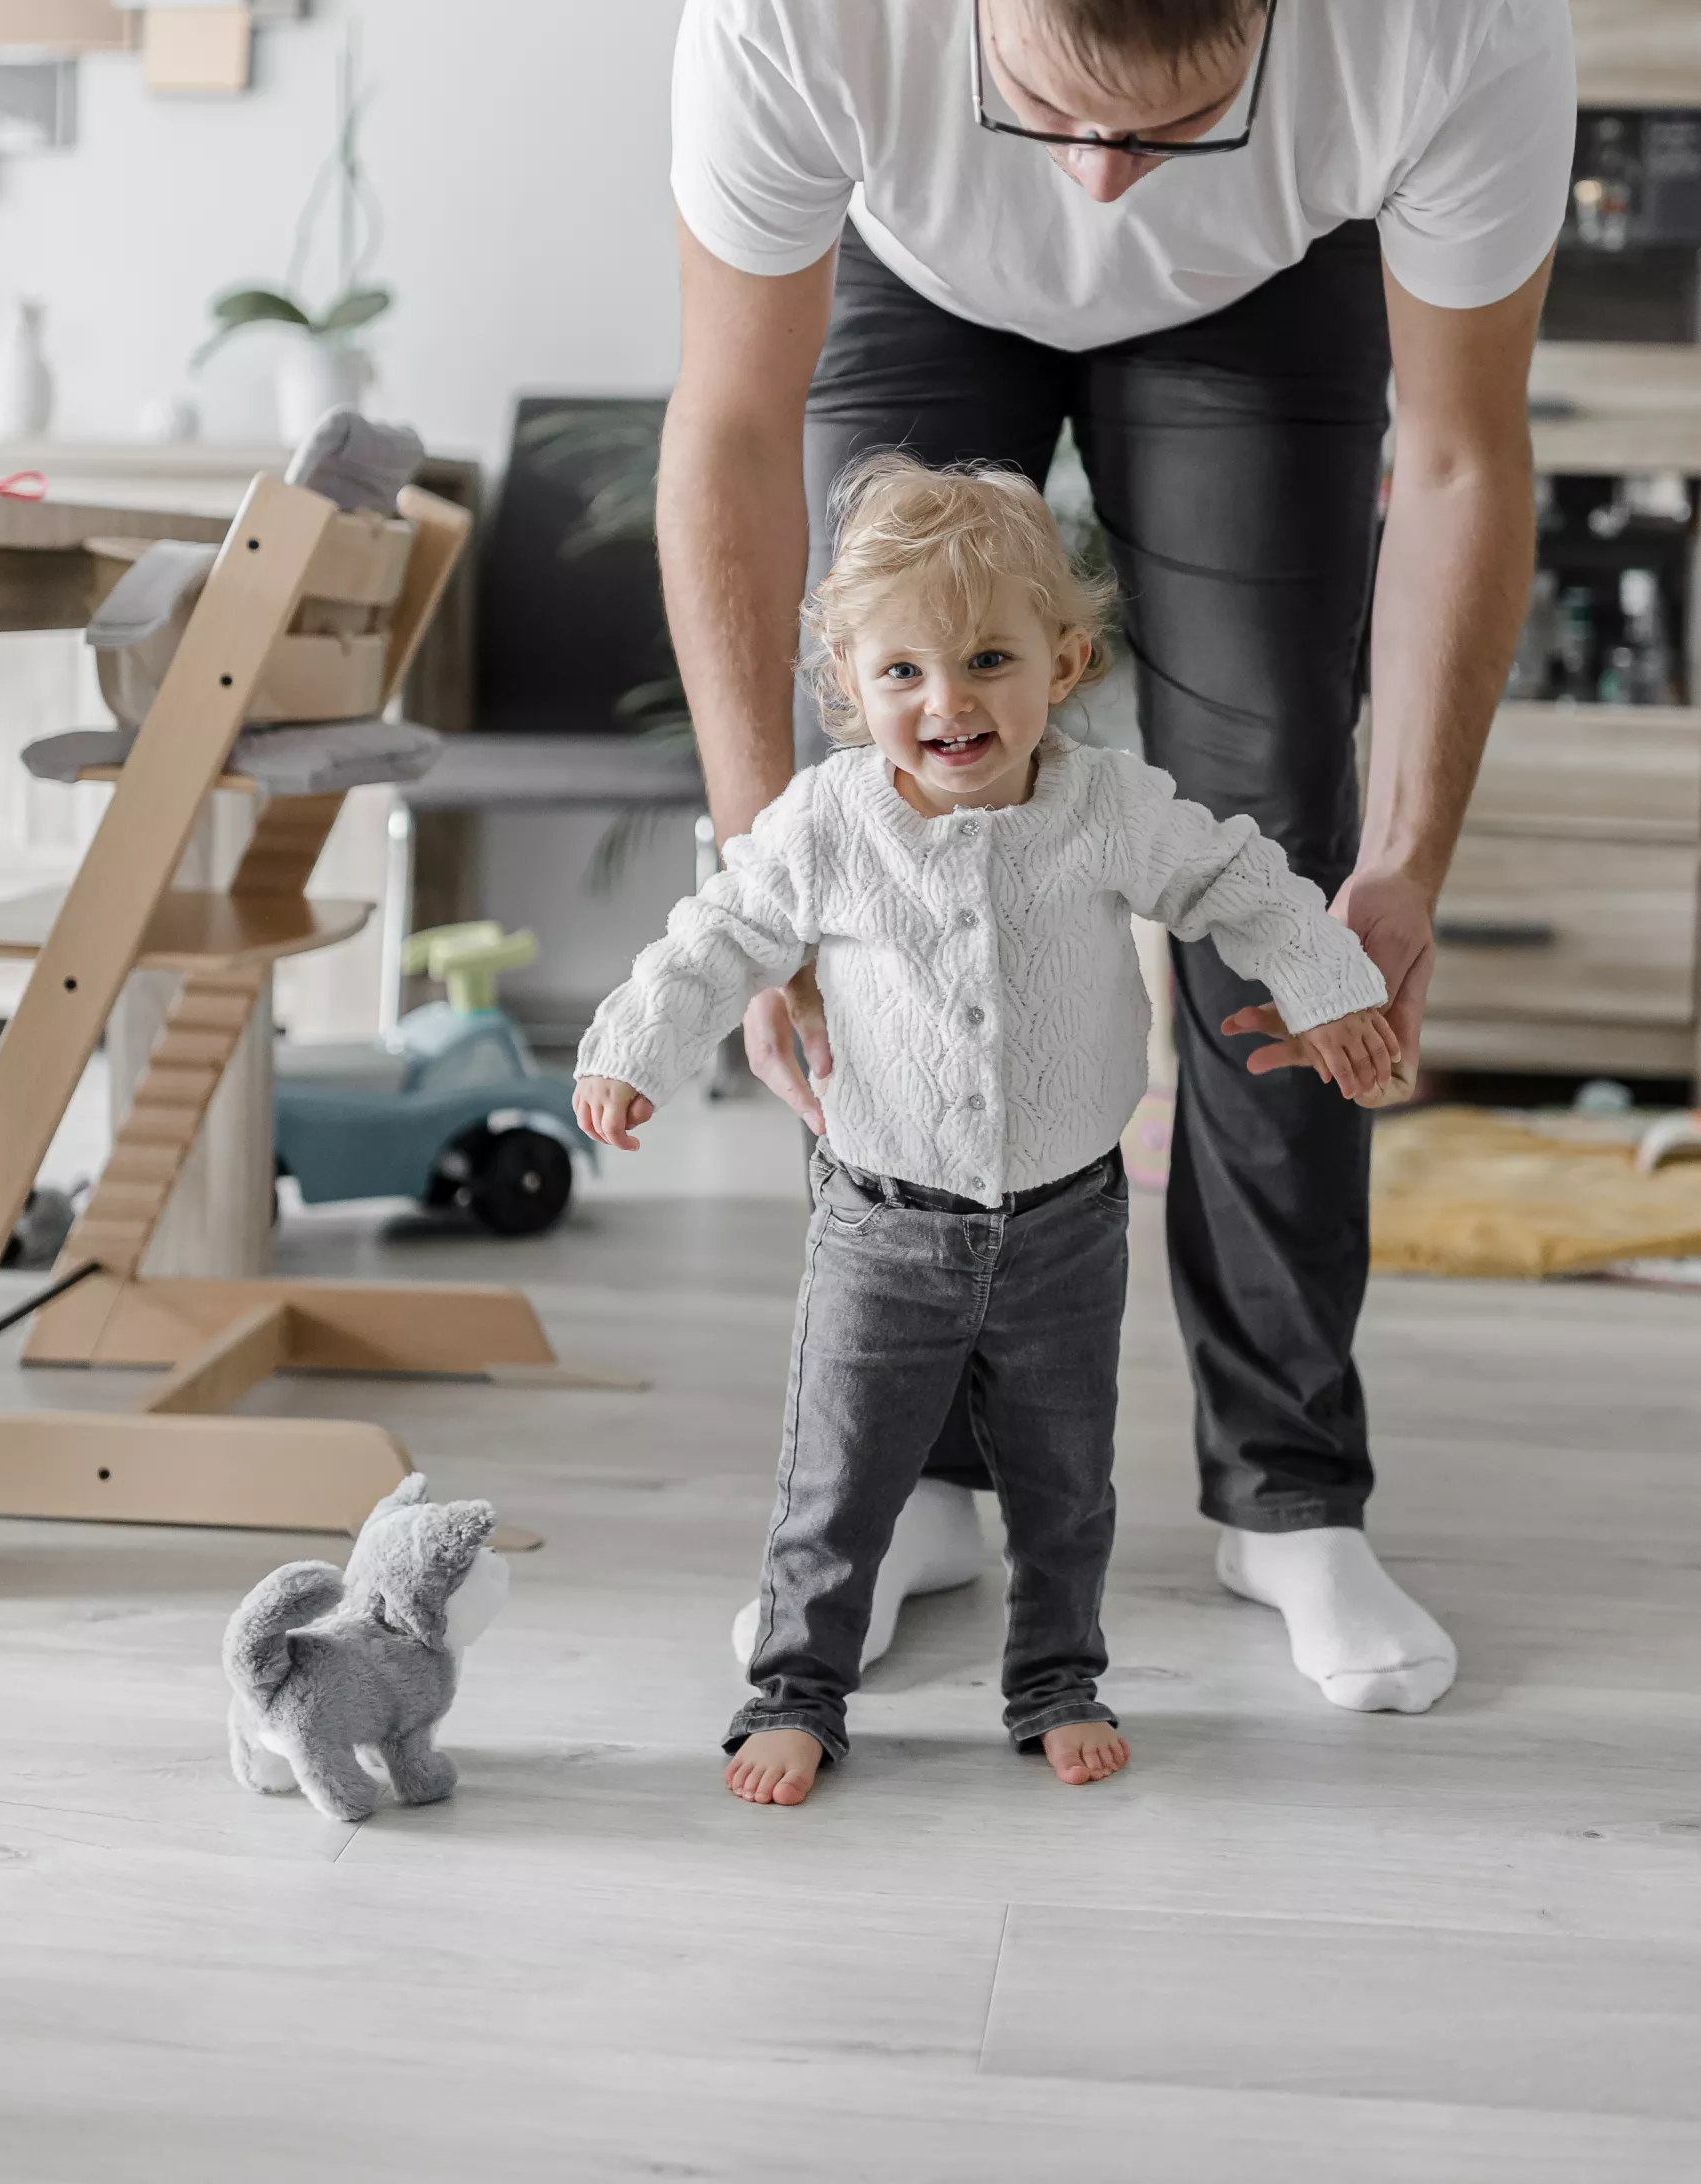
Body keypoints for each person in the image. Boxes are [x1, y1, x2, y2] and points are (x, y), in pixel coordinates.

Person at [656, 0, 1575, 1713]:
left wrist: (1406, 863)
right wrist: (761, 878)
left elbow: (1460, 461)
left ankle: (1287, 1497)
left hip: (1269, 288)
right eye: (1056, 107)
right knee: (889, 835)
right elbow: (726, 432)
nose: (1093, 191)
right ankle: (918, 1489)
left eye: (1154, 121)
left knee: (1280, 862)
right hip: (903, 275)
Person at [575, 460, 1398, 1804]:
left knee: (1066, 1482)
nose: (947, 702)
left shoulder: (1111, 806)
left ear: (1065, 662)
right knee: (836, 1477)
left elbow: (1242, 882)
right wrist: (632, 1051)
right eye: (901, 673)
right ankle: (795, 1689)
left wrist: (1327, 982)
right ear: (848, 684)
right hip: (879, 1226)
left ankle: (1057, 1677)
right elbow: (717, 939)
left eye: (988, 659)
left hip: (1070, 1222)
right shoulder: (830, 824)